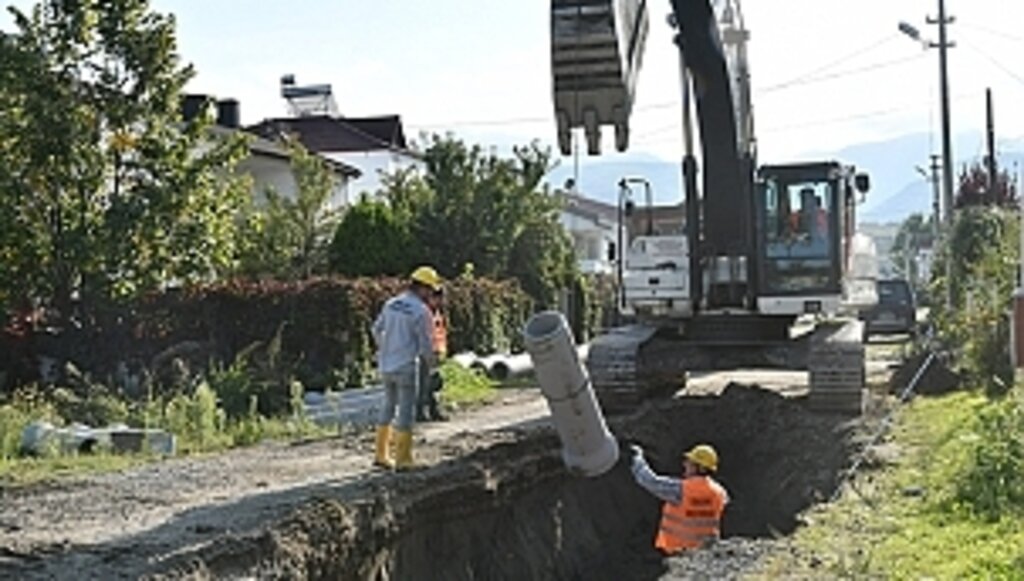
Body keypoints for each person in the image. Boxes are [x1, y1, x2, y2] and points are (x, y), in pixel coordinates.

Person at [371, 265, 441, 469]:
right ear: (424, 288)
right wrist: (432, 366)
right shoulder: (421, 311)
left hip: (386, 365)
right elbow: (426, 345)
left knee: (388, 405)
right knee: (406, 411)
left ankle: (381, 454)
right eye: (431, 290)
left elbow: (376, 329)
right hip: (406, 366)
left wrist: (384, 349)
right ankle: (403, 459)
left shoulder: (391, 303)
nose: (431, 294)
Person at [629, 443, 730, 553]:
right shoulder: (720, 492)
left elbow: (650, 481)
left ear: (700, 468)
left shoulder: (681, 490)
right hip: (705, 555)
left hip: (678, 552)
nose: (685, 464)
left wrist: (637, 458)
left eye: (690, 463)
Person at [417, 288, 449, 422]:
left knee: (434, 383)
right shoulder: (424, 313)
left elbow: (439, 333)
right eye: (438, 298)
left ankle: (432, 410)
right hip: (425, 353)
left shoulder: (436, 312)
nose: (441, 301)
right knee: (425, 384)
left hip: (435, 352)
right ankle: (422, 412)